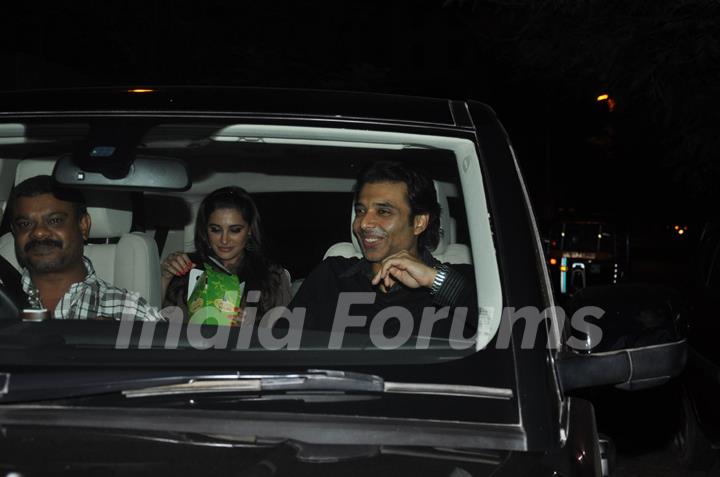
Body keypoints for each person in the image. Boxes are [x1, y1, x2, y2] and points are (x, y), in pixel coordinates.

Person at [290, 161, 476, 340]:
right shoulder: (331, 276)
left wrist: (436, 280)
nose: (363, 223)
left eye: (383, 212)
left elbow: (500, 330)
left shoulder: (459, 283)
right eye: (361, 211)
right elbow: (278, 346)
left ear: (419, 223)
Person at [7, 175, 163, 321]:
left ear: (83, 226)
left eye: (54, 220)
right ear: (15, 232)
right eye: (25, 224)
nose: (39, 232)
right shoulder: (4, 303)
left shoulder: (130, 313)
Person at [161, 186, 291, 323]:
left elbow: (286, 333)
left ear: (250, 230)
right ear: (205, 230)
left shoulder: (271, 276)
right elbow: (153, 323)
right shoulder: (187, 268)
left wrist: (251, 331)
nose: (224, 240)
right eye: (215, 230)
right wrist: (165, 277)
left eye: (235, 230)